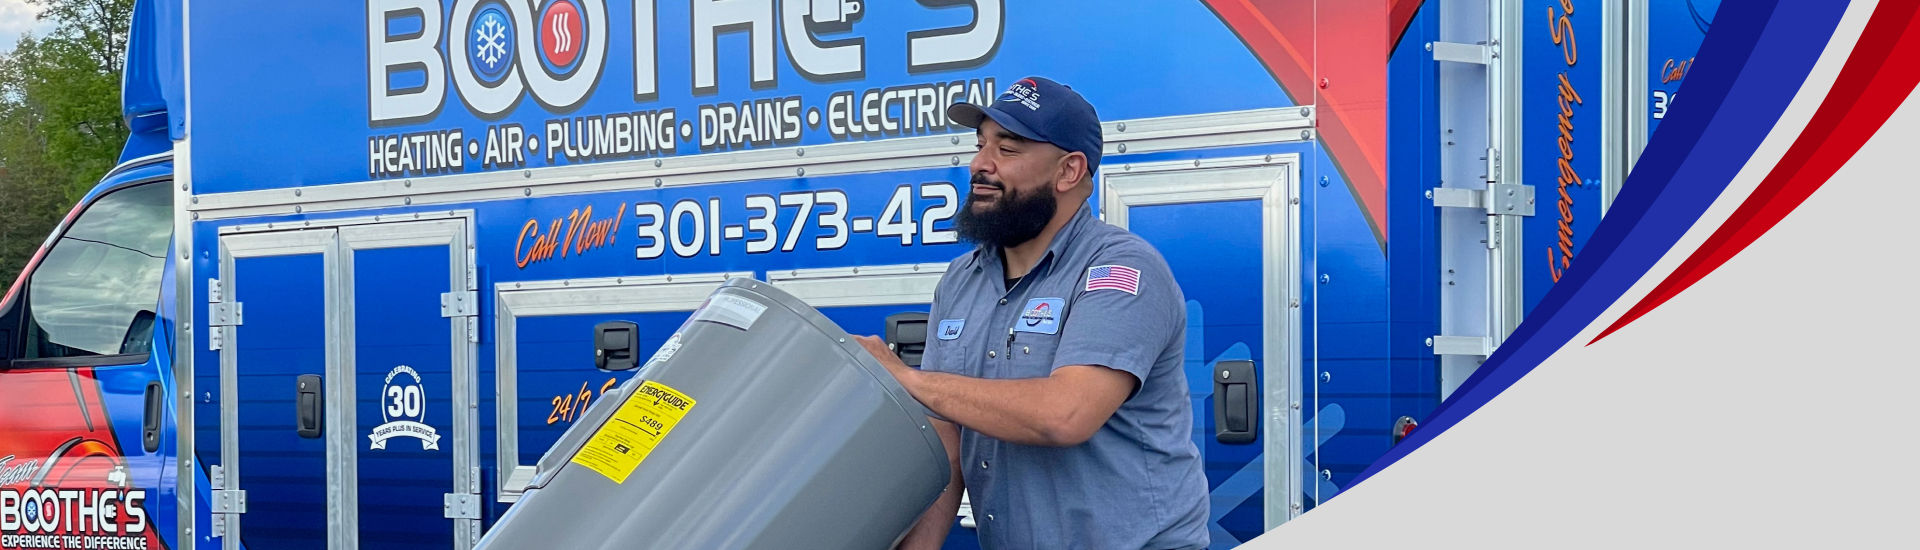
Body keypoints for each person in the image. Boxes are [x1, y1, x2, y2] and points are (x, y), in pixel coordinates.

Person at [855, 77, 1209, 550]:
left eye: (1009, 149)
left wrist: (910, 380)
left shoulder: (1120, 268)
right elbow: (949, 444)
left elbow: (1066, 414)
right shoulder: (961, 280)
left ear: (1068, 171)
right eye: (980, 145)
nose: (980, 164)